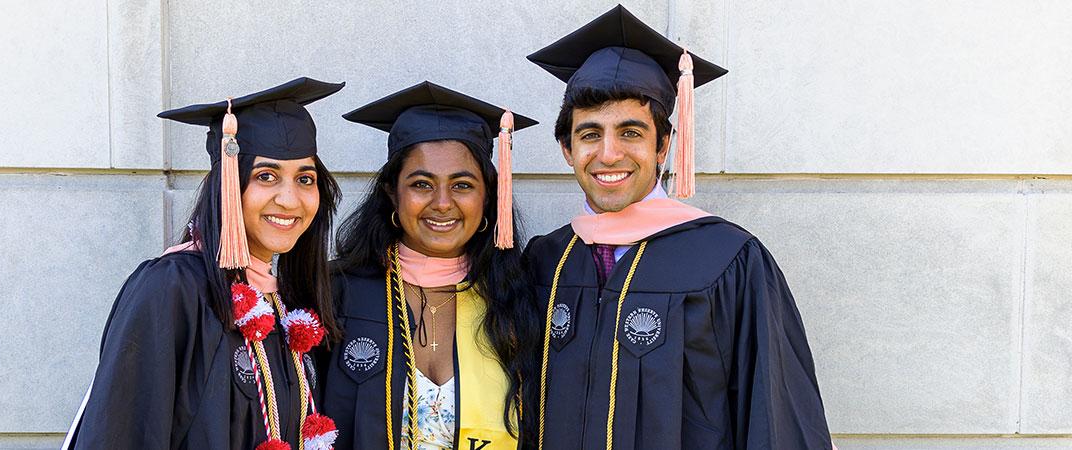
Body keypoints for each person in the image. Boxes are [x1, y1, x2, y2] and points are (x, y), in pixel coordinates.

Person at [522, 6, 833, 449]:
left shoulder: (729, 261)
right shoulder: (545, 261)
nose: (608, 154)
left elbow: (776, 420)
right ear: (567, 149)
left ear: (664, 144)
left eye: (630, 133)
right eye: (590, 134)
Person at [65, 77, 345, 450]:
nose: (290, 200)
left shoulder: (285, 301)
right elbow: (121, 434)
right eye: (266, 176)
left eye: (305, 179)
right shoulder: (171, 287)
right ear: (227, 184)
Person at [319, 81, 540, 450]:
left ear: (488, 196)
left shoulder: (514, 297)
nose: (442, 203)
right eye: (422, 184)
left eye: (463, 185)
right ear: (393, 192)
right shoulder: (338, 293)